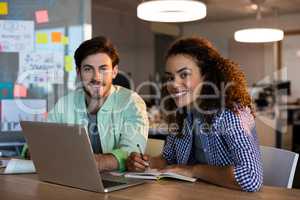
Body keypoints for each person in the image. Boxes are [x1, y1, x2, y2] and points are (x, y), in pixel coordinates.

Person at [126, 37, 263, 192]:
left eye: (184, 75)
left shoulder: (230, 112)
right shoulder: (182, 114)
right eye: (170, 77)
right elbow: (168, 159)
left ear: (207, 75)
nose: (174, 84)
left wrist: (193, 170)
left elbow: (251, 178)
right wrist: (145, 163)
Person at [23, 36, 149, 172]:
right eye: (88, 69)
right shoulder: (65, 103)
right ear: (78, 72)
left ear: (114, 71)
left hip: (120, 186)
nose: (96, 77)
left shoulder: (131, 102)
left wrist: (95, 162)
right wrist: (34, 150)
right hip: (72, 181)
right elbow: (34, 144)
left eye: (103, 69)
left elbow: (131, 153)